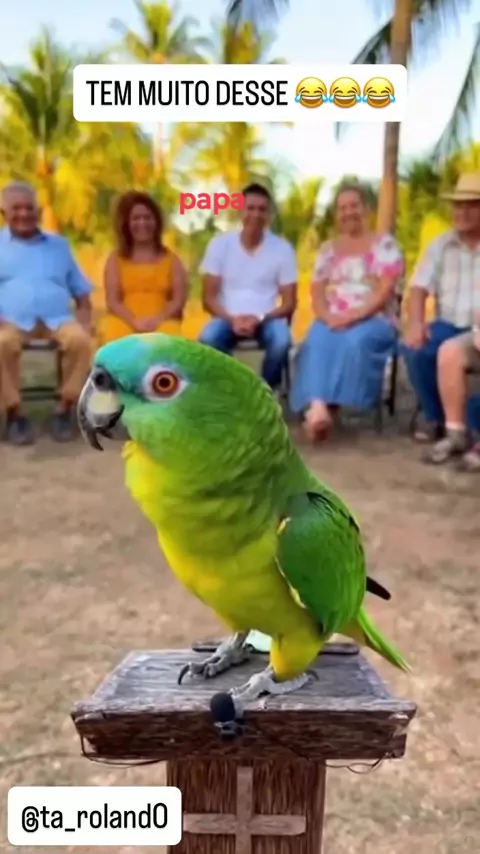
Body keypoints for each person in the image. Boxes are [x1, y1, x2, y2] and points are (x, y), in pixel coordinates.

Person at [290, 184, 404, 439]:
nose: (348, 212)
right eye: (342, 208)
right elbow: (317, 292)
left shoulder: (385, 245)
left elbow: (385, 290)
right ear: (336, 214)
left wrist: (353, 316)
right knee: (316, 337)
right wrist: (327, 316)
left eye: (354, 206)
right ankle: (318, 408)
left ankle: (333, 406)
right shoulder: (327, 250)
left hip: (375, 317)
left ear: (366, 209)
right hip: (333, 317)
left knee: (354, 340)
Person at [0, 181, 93, 445]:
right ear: (4, 212)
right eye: (16, 208)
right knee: (0, 344)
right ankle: (15, 414)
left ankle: (64, 408)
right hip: (9, 322)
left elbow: (81, 293)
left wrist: (85, 320)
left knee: (81, 340)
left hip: (58, 319)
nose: (24, 214)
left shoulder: (59, 246)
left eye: (29, 208)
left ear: (38, 211)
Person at [401, 172, 480, 467]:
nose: (463, 212)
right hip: (447, 323)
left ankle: (461, 428)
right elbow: (419, 288)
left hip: (477, 327)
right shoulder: (440, 245)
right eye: (458, 206)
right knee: (415, 347)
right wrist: (416, 323)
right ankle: (437, 419)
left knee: (452, 351)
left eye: (471, 205)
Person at [198, 183, 297, 391]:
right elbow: (208, 298)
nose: (256, 215)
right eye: (250, 208)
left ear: (269, 214)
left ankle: (264, 391)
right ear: (240, 211)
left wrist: (259, 318)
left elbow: (289, 302)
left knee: (282, 340)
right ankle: (231, 391)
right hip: (227, 318)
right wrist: (232, 319)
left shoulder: (282, 249)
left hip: (267, 318)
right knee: (208, 338)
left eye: (262, 209)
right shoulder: (219, 245)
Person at [100, 191, 188, 343]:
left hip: (162, 320)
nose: (142, 223)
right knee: (113, 332)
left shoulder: (172, 260)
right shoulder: (115, 259)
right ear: (127, 223)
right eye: (136, 218)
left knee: (170, 336)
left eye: (147, 217)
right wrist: (134, 321)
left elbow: (178, 300)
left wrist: (158, 320)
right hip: (124, 320)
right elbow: (113, 301)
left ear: (156, 222)